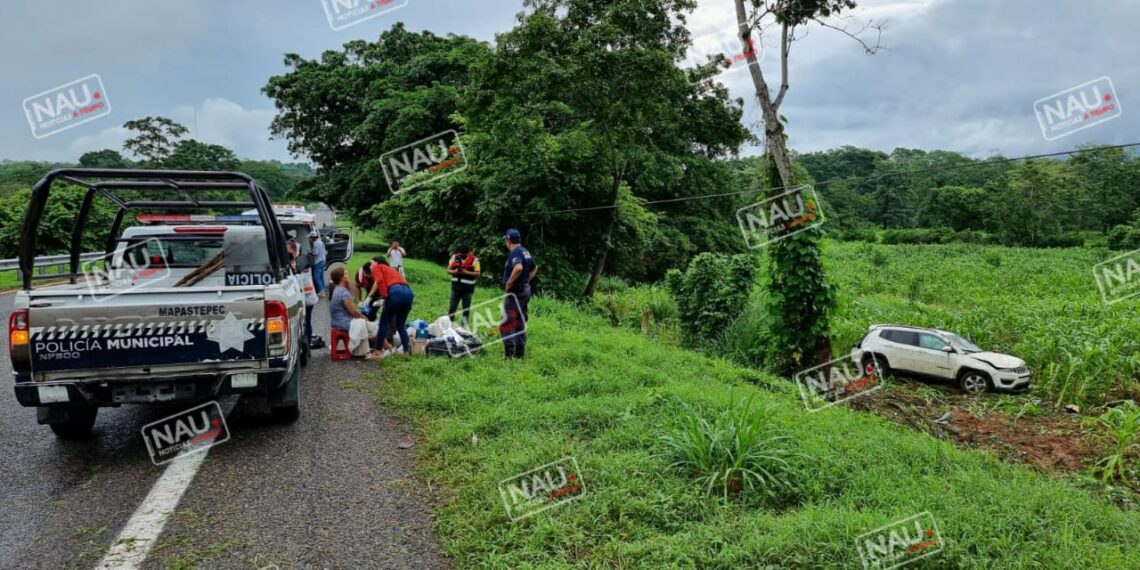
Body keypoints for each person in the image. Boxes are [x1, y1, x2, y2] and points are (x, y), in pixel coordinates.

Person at [367, 255, 415, 359]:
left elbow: (379, 281)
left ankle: (378, 352)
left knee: (383, 323)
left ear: (377, 262)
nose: (370, 266)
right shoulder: (392, 270)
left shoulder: (378, 267)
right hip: (408, 293)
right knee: (400, 325)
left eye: (371, 263)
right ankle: (406, 351)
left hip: (395, 292)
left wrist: (384, 297)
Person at [328, 267, 382, 358]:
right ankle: (384, 349)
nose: (348, 276)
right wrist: (363, 317)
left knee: (370, 327)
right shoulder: (343, 293)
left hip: (336, 322)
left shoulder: (336, 289)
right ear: (342, 278)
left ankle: (377, 348)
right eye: (346, 274)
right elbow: (353, 311)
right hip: (344, 323)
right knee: (374, 327)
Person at [501, 228, 537, 359]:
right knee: (519, 320)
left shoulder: (515, 252)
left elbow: (518, 267)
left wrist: (510, 283)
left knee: (506, 322)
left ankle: (509, 356)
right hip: (525, 289)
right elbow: (535, 267)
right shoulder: (524, 251)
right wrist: (527, 280)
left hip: (516, 292)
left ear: (508, 240)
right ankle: (519, 354)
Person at [447, 244, 481, 329]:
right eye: (462, 253)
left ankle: (463, 328)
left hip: (468, 289)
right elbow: (448, 270)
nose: (464, 255)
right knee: (452, 308)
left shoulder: (475, 260)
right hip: (455, 288)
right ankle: (449, 326)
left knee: (466, 309)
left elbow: (477, 273)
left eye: (465, 253)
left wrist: (466, 272)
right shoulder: (454, 257)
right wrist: (455, 271)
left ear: (469, 252)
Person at [309, 230, 328, 297]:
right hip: (323, 260)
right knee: (321, 277)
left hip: (318, 261)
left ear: (313, 237)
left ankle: (321, 292)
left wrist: (310, 253)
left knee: (316, 277)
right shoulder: (320, 241)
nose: (310, 239)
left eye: (311, 238)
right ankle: (323, 289)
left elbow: (315, 253)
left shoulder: (315, 243)